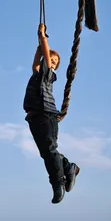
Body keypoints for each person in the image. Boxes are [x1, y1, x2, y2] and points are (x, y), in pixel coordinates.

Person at [23, 24, 80, 204]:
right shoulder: (38, 74)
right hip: (35, 117)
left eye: (55, 62)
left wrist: (43, 38)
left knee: (48, 151)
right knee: (47, 152)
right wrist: (40, 45)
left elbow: (46, 60)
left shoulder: (49, 74)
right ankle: (67, 166)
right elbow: (36, 63)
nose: (52, 62)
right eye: (51, 59)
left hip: (45, 114)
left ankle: (57, 183)